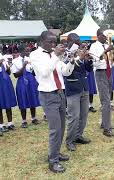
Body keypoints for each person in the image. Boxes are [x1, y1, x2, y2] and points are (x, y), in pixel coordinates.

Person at [30, 31, 74, 173]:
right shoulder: (35, 55)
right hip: (48, 95)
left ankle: (56, 152)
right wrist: (55, 55)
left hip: (60, 93)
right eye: (50, 42)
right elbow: (44, 72)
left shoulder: (54, 55)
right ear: (42, 41)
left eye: (55, 42)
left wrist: (71, 62)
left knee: (61, 127)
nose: (54, 44)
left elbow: (65, 72)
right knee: (55, 129)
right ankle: (53, 161)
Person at [64, 34, 92, 152]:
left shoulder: (79, 52)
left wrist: (88, 60)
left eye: (78, 42)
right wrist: (80, 58)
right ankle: (70, 141)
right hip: (73, 88)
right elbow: (67, 70)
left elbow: (88, 69)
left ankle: (78, 135)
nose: (78, 44)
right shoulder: (65, 53)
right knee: (73, 117)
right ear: (69, 41)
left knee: (84, 115)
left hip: (84, 87)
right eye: (76, 42)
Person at [89, 28, 114, 137]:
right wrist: (106, 51)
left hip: (108, 72)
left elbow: (109, 60)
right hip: (100, 73)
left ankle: (105, 123)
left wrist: (112, 54)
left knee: (108, 99)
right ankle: (106, 128)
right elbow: (95, 61)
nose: (106, 38)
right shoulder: (94, 46)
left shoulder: (105, 45)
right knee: (106, 101)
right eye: (105, 36)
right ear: (99, 36)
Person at [11, 45, 40, 128]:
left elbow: (34, 72)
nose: (28, 53)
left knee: (32, 98)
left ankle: (34, 118)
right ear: (21, 51)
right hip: (22, 82)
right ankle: (24, 121)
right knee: (23, 99)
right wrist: (24, 65)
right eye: (26, 51)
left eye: (29, 51)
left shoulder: (31, 59)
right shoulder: (15, 61)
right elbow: (16, 75)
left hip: (31, 81)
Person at [0, 53, 17, 136]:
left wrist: (7, 67)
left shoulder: (3, 59)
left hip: (6, 83)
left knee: (8, 103)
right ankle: (1, 125)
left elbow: (9, 72)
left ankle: (10, 123)